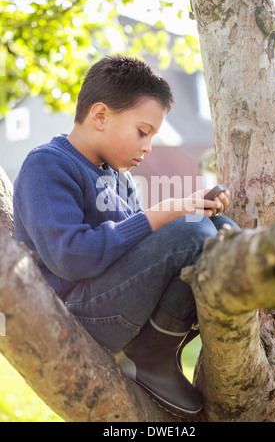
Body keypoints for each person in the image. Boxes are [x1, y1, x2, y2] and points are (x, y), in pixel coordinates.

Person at [13, 55, 239, 417]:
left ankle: (158, 353)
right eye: (142, 131)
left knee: (222, 231)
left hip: (118, 303)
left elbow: (139, 249)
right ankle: (148, 354)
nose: (147, 147)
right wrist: (164, 213)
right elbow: (70, 257)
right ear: (100, 116)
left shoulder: (121, 177)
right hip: (80, 315)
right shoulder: (47, 165)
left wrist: (191, 213)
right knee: (192, 232)